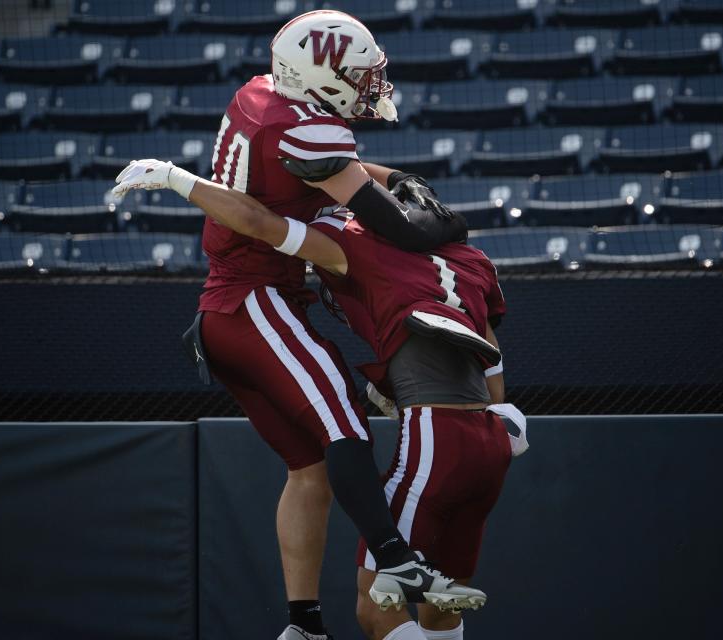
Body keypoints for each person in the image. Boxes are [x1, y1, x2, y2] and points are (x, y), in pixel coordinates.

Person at [132, 9, 481, 639]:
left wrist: (392, 175)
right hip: (257, 300)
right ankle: (398, 562)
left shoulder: (261, 97)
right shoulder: (306, 135)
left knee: (311, 469)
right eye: (355, 74)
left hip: (234, 304)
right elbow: (395, 228)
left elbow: (326, 171)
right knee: (345, 424)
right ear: (320, 74)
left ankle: (304, 625)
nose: (368, 84)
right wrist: (449, 222)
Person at [113, 161, 531, 640]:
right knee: (441, 611)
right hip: (491, 445)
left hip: (434, 442)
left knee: (376, 611)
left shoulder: (354, 243)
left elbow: (260, 223)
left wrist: (177, 179)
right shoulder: (473, 260)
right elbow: (491, 370)